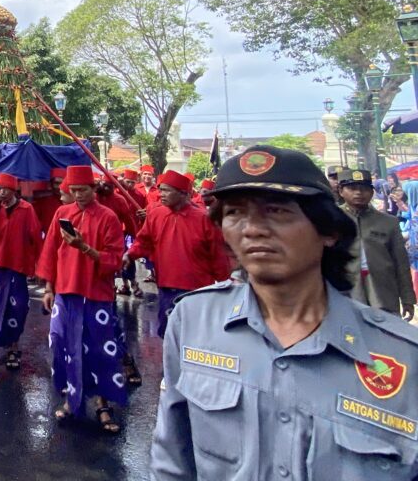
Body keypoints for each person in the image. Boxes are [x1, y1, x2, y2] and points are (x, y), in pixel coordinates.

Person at [151, 145, 418, 481]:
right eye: (234, 213)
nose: (252, 229)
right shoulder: (192, 322)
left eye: (276, 211)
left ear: (329, 231)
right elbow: (172, 462)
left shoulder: (403, 357)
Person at [36, 165, 127, 433]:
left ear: (93, 188)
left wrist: (85, 248)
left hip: (96, 294)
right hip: (66, 292)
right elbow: (50, 251)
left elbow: (113, 260)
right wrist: (49, 288)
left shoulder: (108, 217)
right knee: (63, 345)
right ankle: (70, 399)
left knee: (99, 349)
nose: (77, 195)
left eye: (82, 190)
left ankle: (102, 405)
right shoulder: (62, 213)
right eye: (73, 190)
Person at [123, 169, 230, 337]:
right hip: (166, 285)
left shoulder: (204, 218)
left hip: (197, 288)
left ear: (183, 193)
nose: (161, 194)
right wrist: (130, 255)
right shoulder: (156, 214)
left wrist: (225, 286)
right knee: (168, 332)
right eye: (160, 190)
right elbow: (143, 242)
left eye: (166, 190)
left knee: (196, 334)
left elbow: (218, 255)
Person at [0, 172, 41, 370]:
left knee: (18, 307)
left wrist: (39, 266)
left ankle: (14, 346)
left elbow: (35, 236)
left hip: (17, 265)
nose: (1, 192)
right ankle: (4, 343)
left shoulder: (26, 209)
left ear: (13, 189)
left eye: (4, 188)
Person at [339, 169, 415, 321]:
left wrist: (407, 298)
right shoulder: (331, 219)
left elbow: (401, 263)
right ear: (341, 191)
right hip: (345, 294)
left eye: (364, 189)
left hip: (383, 292)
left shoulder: (388, 223)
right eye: (352, 188)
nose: (358, 193)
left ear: (372, 192)